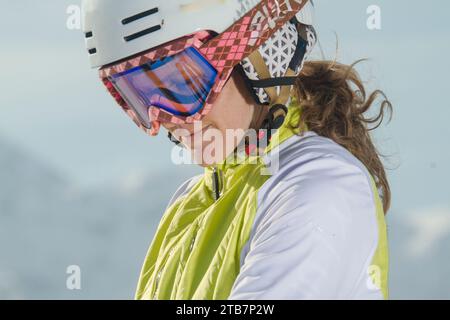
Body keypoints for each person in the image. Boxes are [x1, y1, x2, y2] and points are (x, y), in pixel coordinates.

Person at [82, 0, 392, 299]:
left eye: (184, 84)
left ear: (260, 53)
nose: (167, 118)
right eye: (141, 95)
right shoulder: (189, 205)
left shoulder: (318, 186)